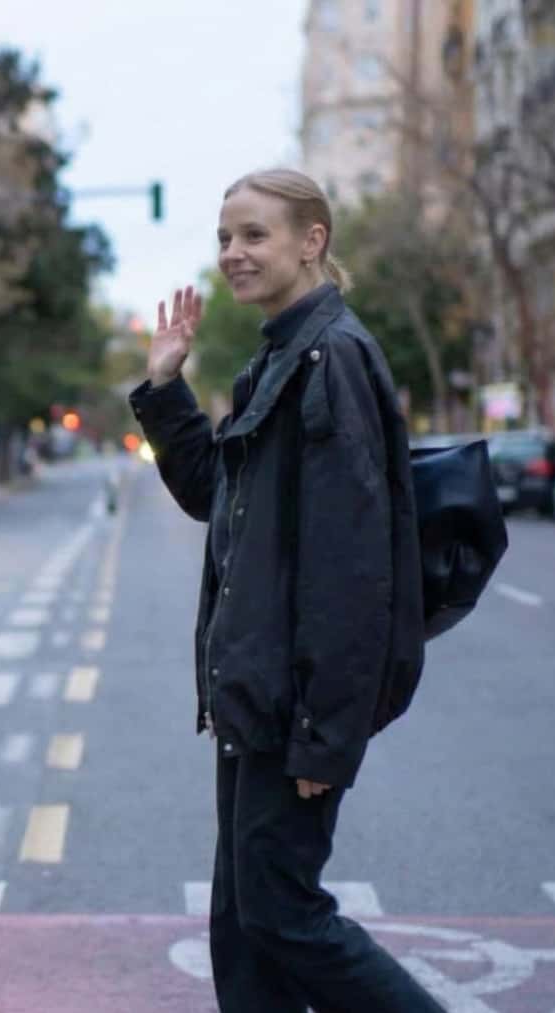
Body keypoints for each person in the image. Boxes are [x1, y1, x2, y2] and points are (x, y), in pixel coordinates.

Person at [128, 167, 440, 1012]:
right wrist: (166, 388)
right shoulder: (281, 355)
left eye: (254, 235)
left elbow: (352, 570)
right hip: (255, 695)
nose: (233, 253)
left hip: (288, 706)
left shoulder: (329, 360)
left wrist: (323, 732)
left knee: (283, 914)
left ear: (313, 241)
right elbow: (212, 496)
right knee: (242, 924)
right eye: (226, 236)